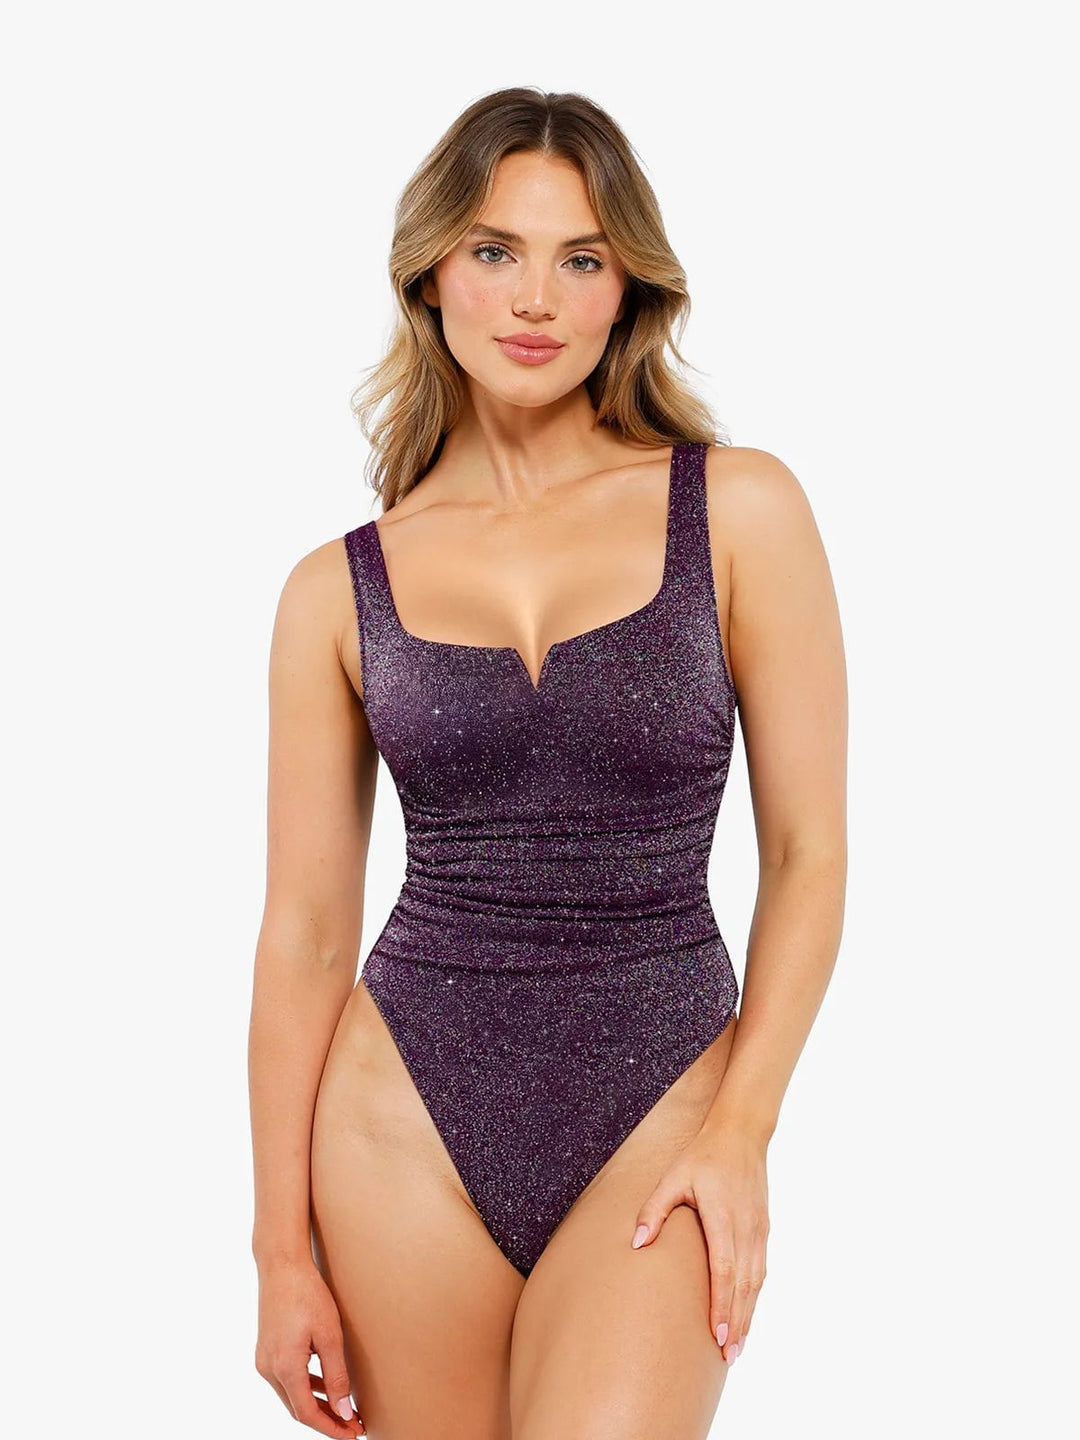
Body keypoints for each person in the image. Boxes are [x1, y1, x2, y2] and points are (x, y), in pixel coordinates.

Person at [248, 86, 847, 1440]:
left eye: (580, 258)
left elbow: (810, 853)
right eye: (495, 251)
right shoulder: (334, 592)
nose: (535, 299)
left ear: (628, 287)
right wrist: (279, 1250)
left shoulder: (738, 509)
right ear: (431, 274)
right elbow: (303, 934)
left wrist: (743, 1130)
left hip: (670, 1090)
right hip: (401, 1119)